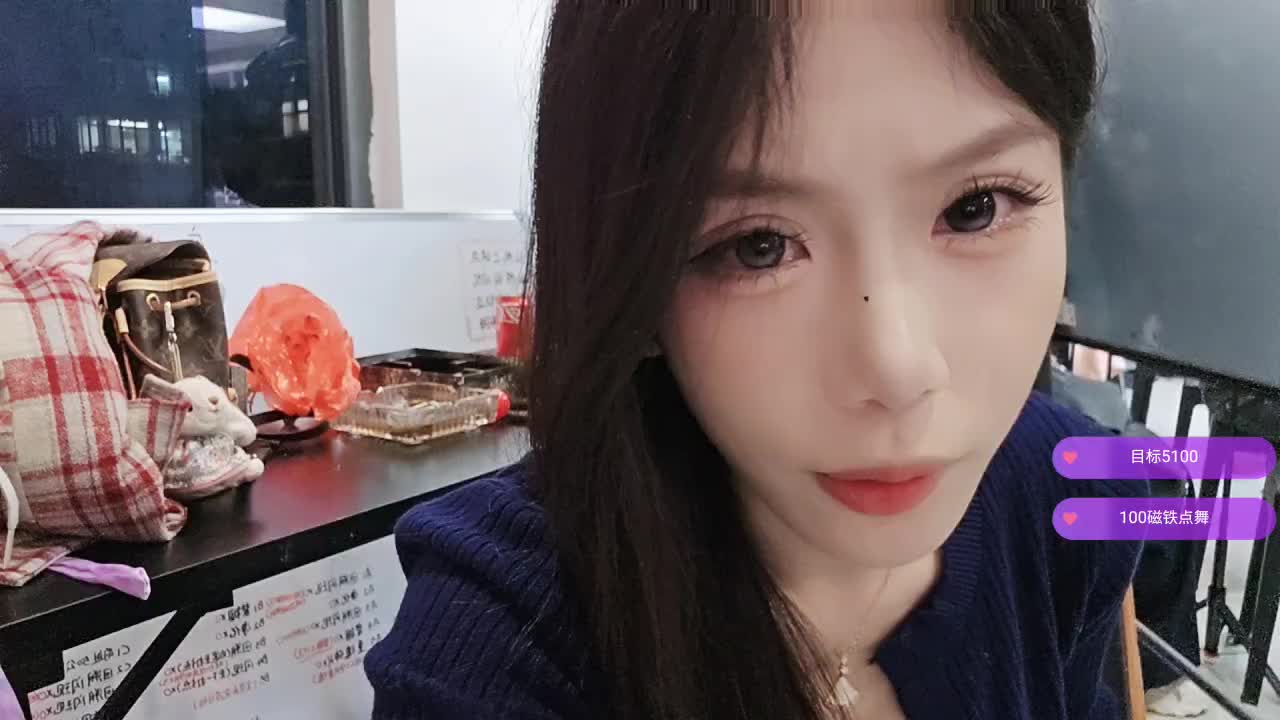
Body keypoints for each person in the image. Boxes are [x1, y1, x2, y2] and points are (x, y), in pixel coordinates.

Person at [365, 3, 1147, 718]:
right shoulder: (500, 651)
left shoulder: (1071, 493)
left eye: (974, 209)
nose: (898, 369)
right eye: (757, 246)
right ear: (632, 282)